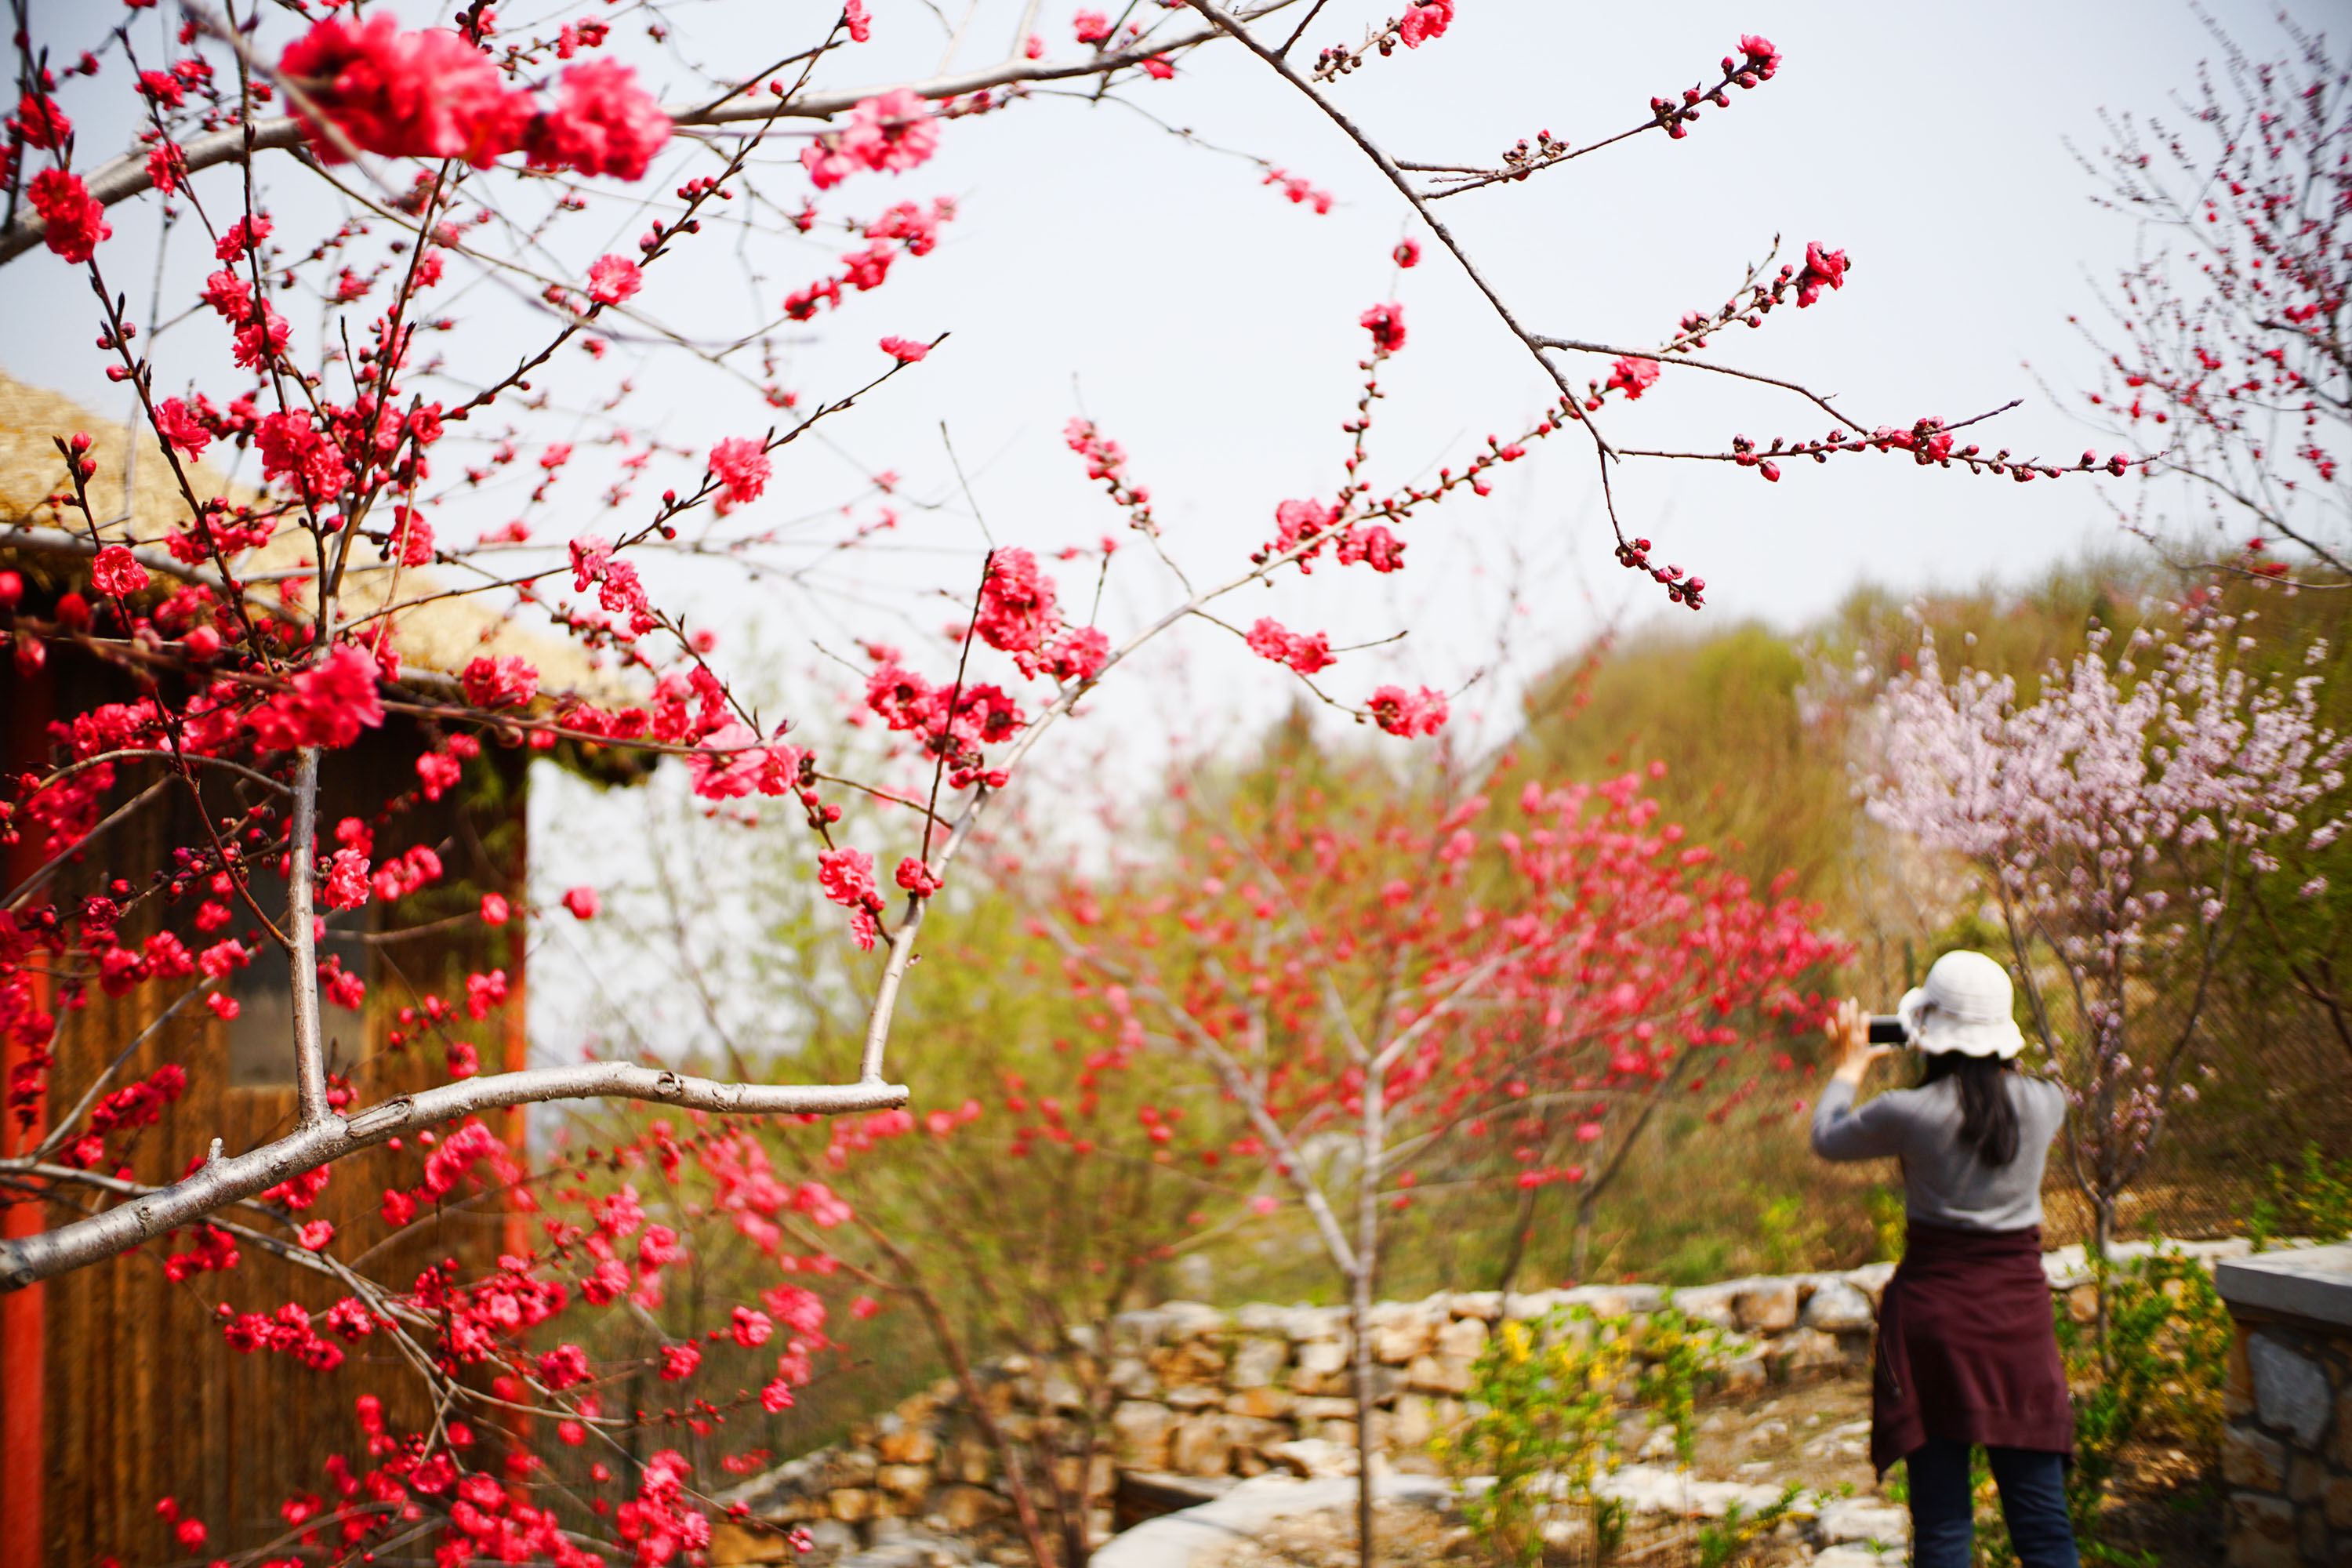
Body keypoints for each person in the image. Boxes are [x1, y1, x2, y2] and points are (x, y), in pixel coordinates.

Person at [1812, 949, 2078, 1568]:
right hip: (2020, 1328)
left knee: (1941, 1529)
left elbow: (1826, 1135)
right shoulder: (2048, 1104)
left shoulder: (1907, 1114)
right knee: (2043, 1528)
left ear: (1925, 1032)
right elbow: (1997, 1090)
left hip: (1933, 1329)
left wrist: (1849, 1067)